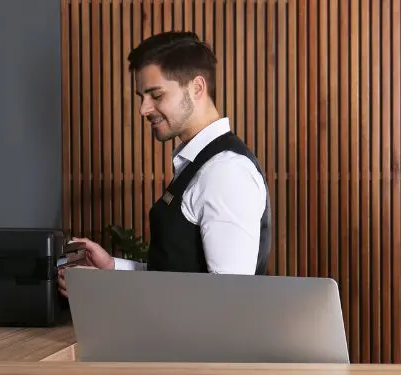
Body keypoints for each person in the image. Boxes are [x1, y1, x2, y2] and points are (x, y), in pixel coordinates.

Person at [58, 31, 271, 297]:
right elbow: (179, 275)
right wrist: (112, 269)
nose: (143, 109)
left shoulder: (225, 172)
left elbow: (228, 301)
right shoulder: (201, 164)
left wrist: (106, 291)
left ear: (196, 89)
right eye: (141, 97)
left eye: (156, 95)